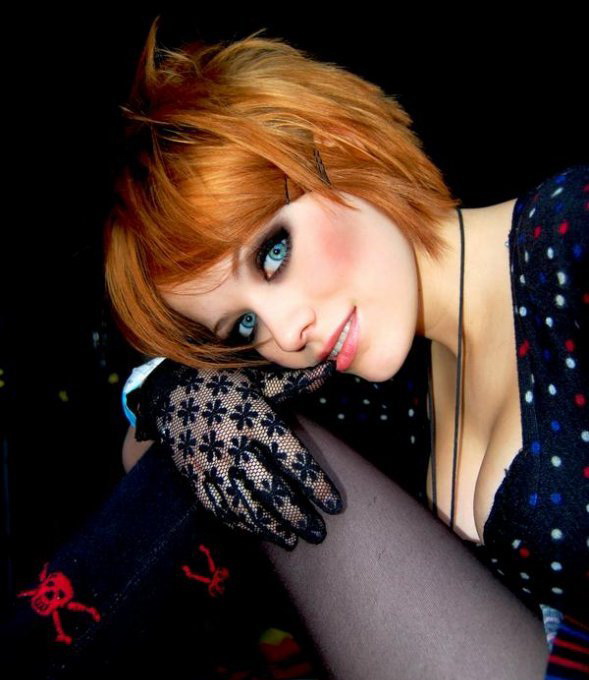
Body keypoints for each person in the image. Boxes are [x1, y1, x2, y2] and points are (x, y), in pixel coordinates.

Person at [104, 17, 588, 679]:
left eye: (273, 253)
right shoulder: (398, 388)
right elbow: (142, 460)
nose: (285, 334)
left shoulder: (572, 235)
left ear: (334, 142)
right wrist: (175, 392)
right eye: (242, 328)